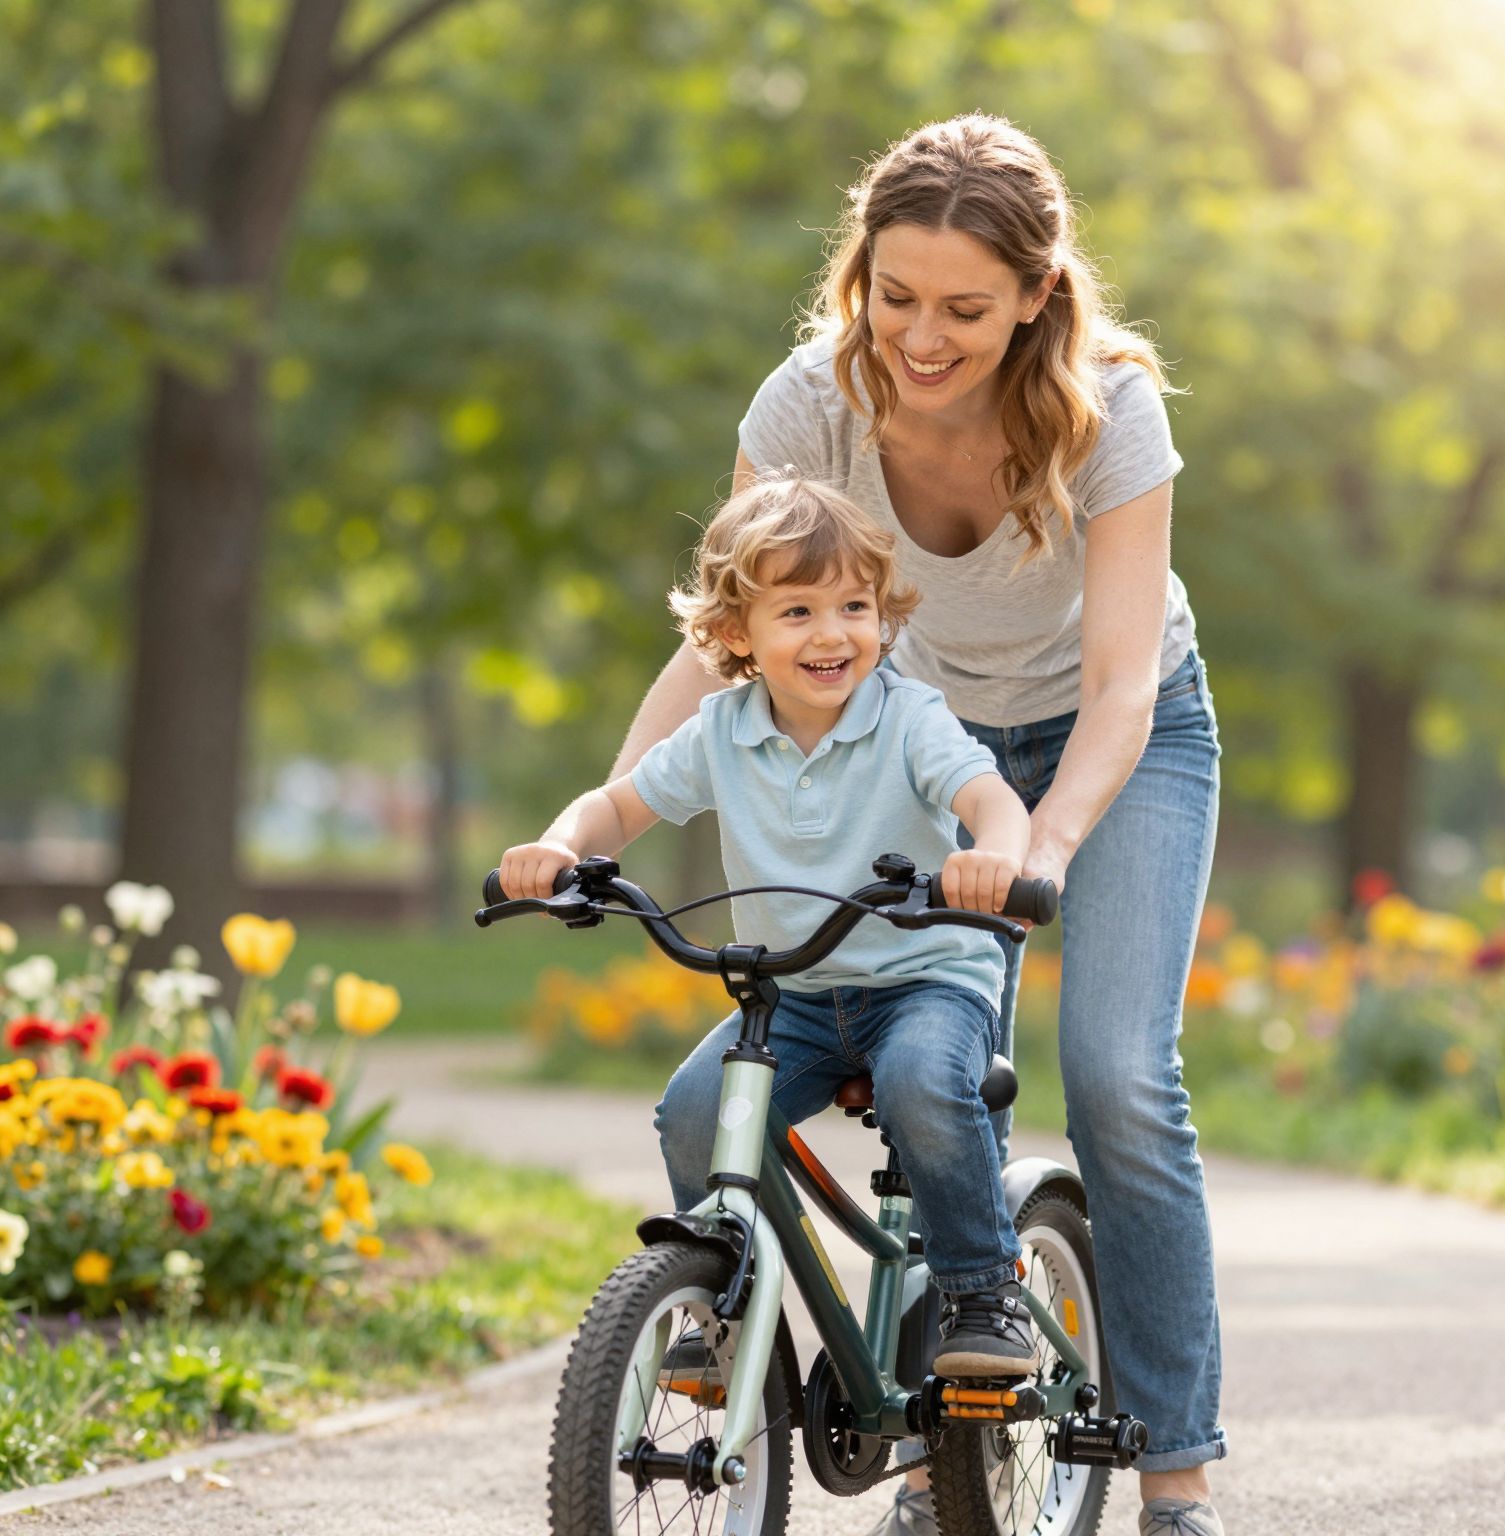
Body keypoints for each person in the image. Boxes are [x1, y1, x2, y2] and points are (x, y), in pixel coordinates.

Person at [607, 114, 1228, 1536]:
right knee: (885, 1063)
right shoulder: (807, 409)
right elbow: (729, 642)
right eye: (895, 299)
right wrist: (604, 817)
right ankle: (911, 1409)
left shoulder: (1110, 410)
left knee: (1121, 1081)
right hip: (918, 740)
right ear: (858, 277)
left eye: (963, 308)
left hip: (1111, 745)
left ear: (1034, 294)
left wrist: (1046, 850)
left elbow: (1127, 684)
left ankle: (1177, 1479)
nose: (922, 339)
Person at [498, 473, 1044, 1378]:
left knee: (919, 1084)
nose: (832, 633)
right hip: (792, 993)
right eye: (797, 611)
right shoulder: (720, 732)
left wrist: (994, 851)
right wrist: (560, 847)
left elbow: (990, 798)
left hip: (924, 982)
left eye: (854, 606)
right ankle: (725, 1305)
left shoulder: (909, 718)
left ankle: (982, 1292)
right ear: (733, 634)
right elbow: (619, 808)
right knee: (694, 1111)